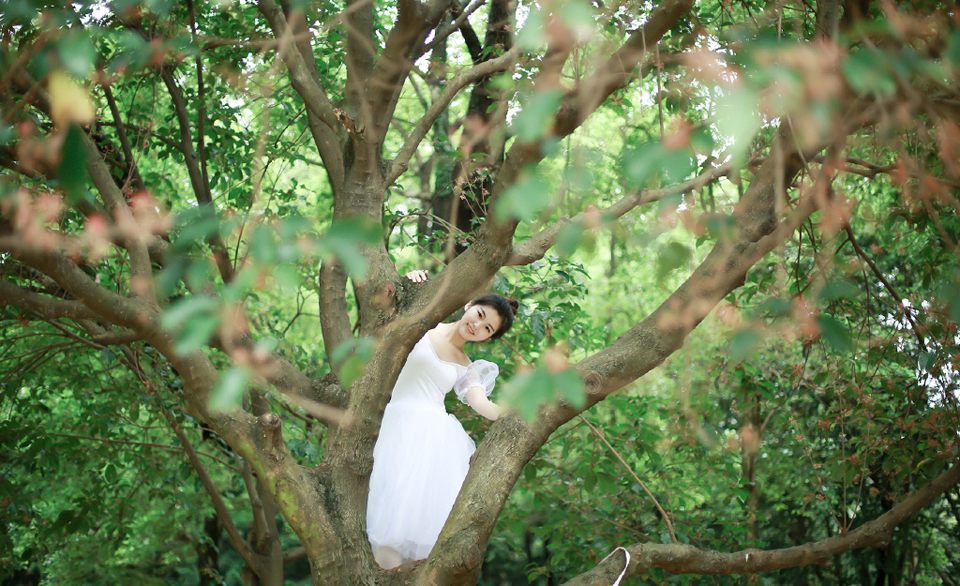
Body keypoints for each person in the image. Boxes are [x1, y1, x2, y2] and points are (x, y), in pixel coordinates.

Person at [366, 270, 518, 569]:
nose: (477, 325)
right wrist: (410, 281)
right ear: (469, 304)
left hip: (429, 439)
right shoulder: (424, 324)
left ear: (489, 337)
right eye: (479, 314)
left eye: (487, 328)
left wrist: (521, 412)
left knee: (411, 523)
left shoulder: (467, 366)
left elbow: (483, 404)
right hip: (392, 424)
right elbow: (390, 304)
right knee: (386, 518)